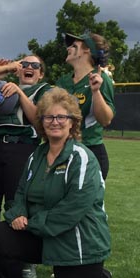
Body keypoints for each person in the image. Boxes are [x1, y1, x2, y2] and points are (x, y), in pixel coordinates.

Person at [0, 87, 112, 278]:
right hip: (43, 231)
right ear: (41, 122)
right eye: (49, 117)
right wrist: (17, 214)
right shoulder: (36, 155)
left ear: (72, 122)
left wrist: (30, 223)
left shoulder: (82, 157)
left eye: (62, 117)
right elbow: (21, 191)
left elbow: (74, 208)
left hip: (76, 238)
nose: (55, 122)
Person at [0, 55, 52, 278]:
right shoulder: (4, 86)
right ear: (17, 70)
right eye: (24, 64)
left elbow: (39, 123)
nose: (29, 68)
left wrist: (19, 93)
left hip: (22, 147)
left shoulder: (43, 90)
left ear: (40, 73)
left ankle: (25, 260)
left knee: (18, 204)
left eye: (35, 65)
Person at [56, 32, 114, 180]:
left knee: (85, 202)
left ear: (86, 50)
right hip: (64, 150)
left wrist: (95, 92)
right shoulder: (63, 82)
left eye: (74, 45)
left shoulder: (101, 79)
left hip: (91, 150)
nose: (69, 48)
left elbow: (106, 120)